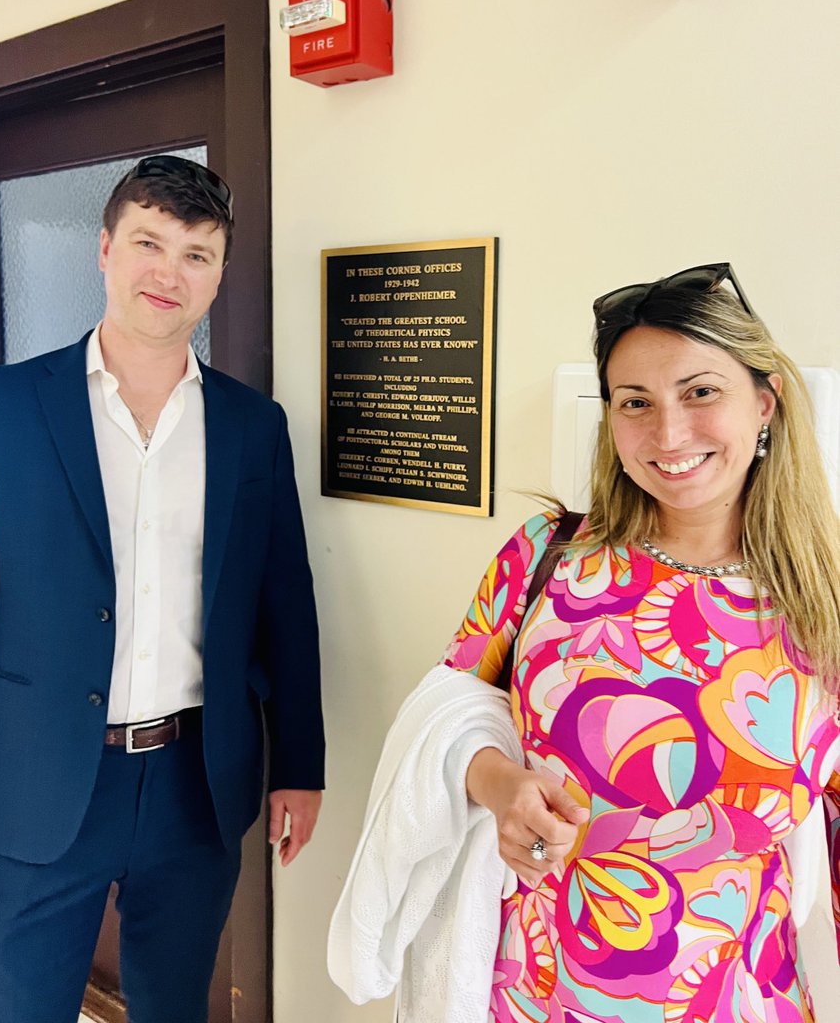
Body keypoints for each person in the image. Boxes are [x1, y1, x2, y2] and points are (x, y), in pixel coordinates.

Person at [330, 262, 840, 1022]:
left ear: (763, 405)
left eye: (700, 392)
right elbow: (446, 714)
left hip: (738, 997)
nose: (668, 434)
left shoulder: (821, 600)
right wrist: (501, 786)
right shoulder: (546, 557)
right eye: (635, 402)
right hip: (535, 989)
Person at [0, 154, 325, 1023]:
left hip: (196, 781)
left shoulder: (250, 426)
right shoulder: (1, 406)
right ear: (105, 250)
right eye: (150, 242)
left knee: (173, 1008)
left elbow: (284, 603)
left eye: (198, 253)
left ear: (219, 275)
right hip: (37, 780)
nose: (171, 272)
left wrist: (301, 764)